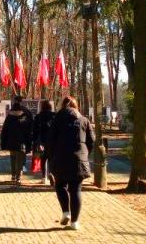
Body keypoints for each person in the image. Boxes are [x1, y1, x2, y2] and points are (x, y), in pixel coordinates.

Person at [48, 96, 94, 230]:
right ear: (76, 106)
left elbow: (50, 140)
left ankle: (65, 212)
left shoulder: (57, 119)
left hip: (60, 158)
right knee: (76, 190)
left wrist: (52, 156)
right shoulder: (84, 120)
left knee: (60, 185)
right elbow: (91, 141)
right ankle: (74, 222)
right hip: (79, 160)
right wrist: (85, 155)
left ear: (62, 105)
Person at [0, 96, 32, 184]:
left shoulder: (10, 114)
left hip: (11, 140)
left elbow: (5, 129)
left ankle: (13, 175)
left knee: (13, 158)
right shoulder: (26, 114)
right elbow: (29, 128)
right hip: (22, 141)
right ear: (22, 102)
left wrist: (4, 141)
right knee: (20, 159)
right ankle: (18, 177)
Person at [32, 99, 55, 185]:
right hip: (52, 142)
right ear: (50, 107)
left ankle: (44, 178)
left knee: (43, 160)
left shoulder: (38, 116)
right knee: (51, 160)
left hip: (41, 142)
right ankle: (51, 174)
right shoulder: (54, 116)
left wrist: (34, 142)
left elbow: (34, 131)